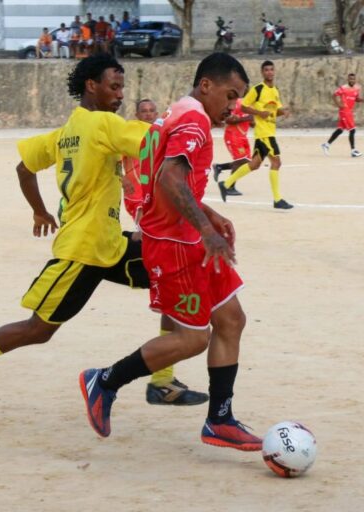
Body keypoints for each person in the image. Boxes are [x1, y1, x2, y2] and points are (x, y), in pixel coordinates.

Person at [0, 54, 163, 414]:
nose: (120, 95)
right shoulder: (102, 124)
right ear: (90, 86)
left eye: (122, 88)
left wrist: (39, 210)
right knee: (37, 330)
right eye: (114, 86)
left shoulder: (65, 134)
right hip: (82, 250)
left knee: (172, 273)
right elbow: (156, 141)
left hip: (108, 245)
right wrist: (193, 120)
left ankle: (163, 380)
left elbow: (23, 168)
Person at [78, 53, 263, 451]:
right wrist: (205, 229)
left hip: (188, 237)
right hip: (174, 245)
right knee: (193, 338)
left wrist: (208, 216)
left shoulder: (178, 111)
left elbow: (170, 179)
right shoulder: (194, 119)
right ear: (206, 85)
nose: (232, 107)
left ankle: (220, 420)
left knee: (231, 319)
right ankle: (105, 380)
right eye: (230, 96)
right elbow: (169, 177)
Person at [121, 98, 210, 405]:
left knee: (175, 308)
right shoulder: (136, 134)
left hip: (157, 223)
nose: (147, 115)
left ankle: (160, 381)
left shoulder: (153, 134)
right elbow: (149, 181)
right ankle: (107, 380)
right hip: (153, 225)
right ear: (135, 115)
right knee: (38, 328)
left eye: (151, 112)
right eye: (142, 112)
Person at [217, 60, 293, 210]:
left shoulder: (275, 91)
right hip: (264, 133)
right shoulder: (258, 89)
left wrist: (282, 112)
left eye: (271, 70)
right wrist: (259, 113)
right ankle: (277, 200)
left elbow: (274, 111)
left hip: (269, 131)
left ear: (274, 71)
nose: (269, 72)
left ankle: (225, 184)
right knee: (276, 163)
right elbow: (244, 107)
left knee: (255, 164)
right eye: (266, 70)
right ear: (262, 72)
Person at [212, 97, 253, 197]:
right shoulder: (238, 103)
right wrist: (247, 118)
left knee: (247, 162)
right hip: (233, 135)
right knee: (242, 160)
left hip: (243, 136)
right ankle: (230, 187)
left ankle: (220, 167)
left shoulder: (251, 106)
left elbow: (252, 123)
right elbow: (228, 120)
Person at [321, 73, 364, 158]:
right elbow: (334, 95)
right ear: (348, 80)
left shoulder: (357, 88)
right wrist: (338, 104)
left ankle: (326, 145)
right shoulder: (343, 88)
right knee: (352, 130)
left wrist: (360, 100)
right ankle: (353, 151)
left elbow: (355, 98)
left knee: (340, 130)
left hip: (349, 111)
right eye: (350, 79)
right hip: (344, 111)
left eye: (353, 79)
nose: (352, 80)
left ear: (355, 80)